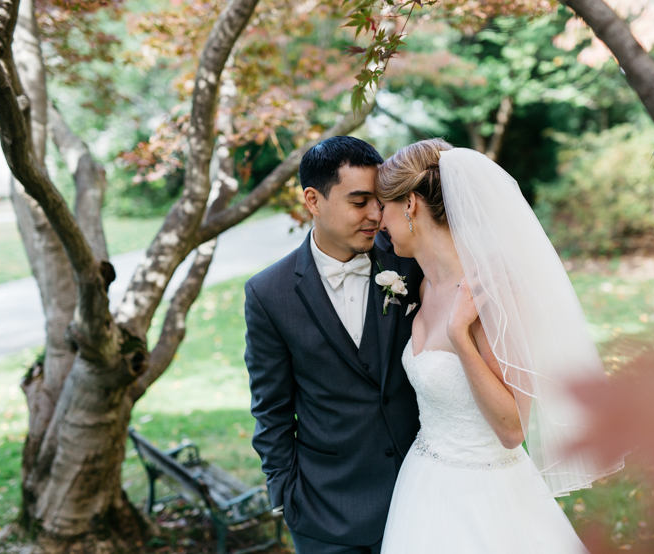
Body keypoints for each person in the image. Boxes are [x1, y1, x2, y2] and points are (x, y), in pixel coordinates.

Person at [375, 138, 624, 553]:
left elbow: (512, 429)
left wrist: (460, 336)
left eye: (384, 205)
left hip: (484, 494)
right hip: (424, 482)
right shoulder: (424, 284)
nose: (378, 219)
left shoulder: (489, 293)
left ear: (411, 205)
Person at [244, 136, 423, 554]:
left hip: (419, 495)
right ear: (313, 200)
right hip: (325, 512)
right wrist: (285, 495)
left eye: (379, 201)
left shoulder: (410, 261)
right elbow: (271, 407)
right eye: (359, 202)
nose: (376, 215)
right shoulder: (269, 293)